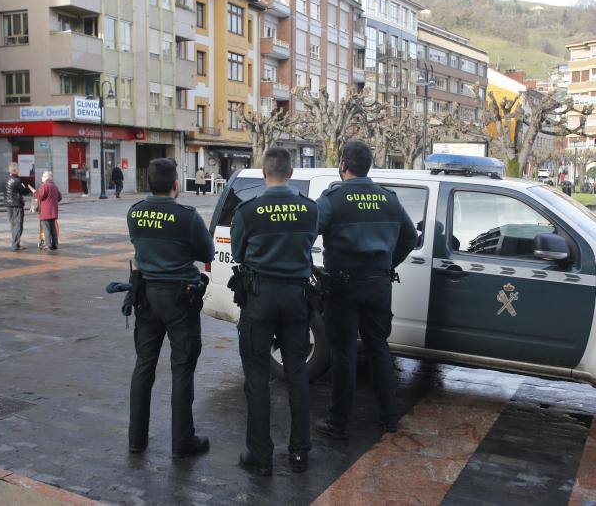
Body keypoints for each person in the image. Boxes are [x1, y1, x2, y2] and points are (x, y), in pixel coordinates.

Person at [314, 140, 417, 440]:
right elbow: (410, 237)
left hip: (342, 285)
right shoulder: (389, 199)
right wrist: (388, 263)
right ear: (368, 166)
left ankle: (338, 422)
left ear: (343, 165)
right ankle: (390, 418)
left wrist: (309, 268)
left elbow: (307, 232)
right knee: (378, 348)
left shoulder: (332, 198)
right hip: (378, 283)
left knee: (344, 352)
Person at [230, 147, 318, 475]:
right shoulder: (309, 209)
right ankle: (300, 453)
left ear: (264, 172)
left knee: (256, 377)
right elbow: (308, 242)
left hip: (259, 298)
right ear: (291, 173)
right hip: (296, 298)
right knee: (297, 375)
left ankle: (260, 456)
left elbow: (238, 253)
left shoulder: (248, 210)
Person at [127, 158, 214, 458]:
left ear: (149, 183)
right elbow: (207, 252)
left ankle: (136, 439)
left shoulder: (135, 212)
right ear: (176, 184)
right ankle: (182, 442)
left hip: (146, 296)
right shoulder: (186, 216)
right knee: (182, 367)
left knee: (144, 366)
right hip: (180, 298)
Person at [4, 163, 32, 251]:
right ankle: (15, 244)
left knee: (13, 225)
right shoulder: (17, 180)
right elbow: (24, 191)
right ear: (15, 170)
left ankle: (16, 243)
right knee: (18, 225)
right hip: (16, 205)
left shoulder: (6, 179)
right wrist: (29, 188)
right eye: (18, 169)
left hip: (8, 205)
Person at [36, 171, 62, 250]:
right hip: (53, 211)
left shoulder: (44, 186)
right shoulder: (55, 186)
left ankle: (48, 244)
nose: (41, 177)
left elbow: (40, 196)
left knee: (46, 228)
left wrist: (34, 193)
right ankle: (55, 244)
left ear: (46, 178)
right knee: (53, 228)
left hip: (45, 212)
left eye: (43, 176)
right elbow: (60, 197)